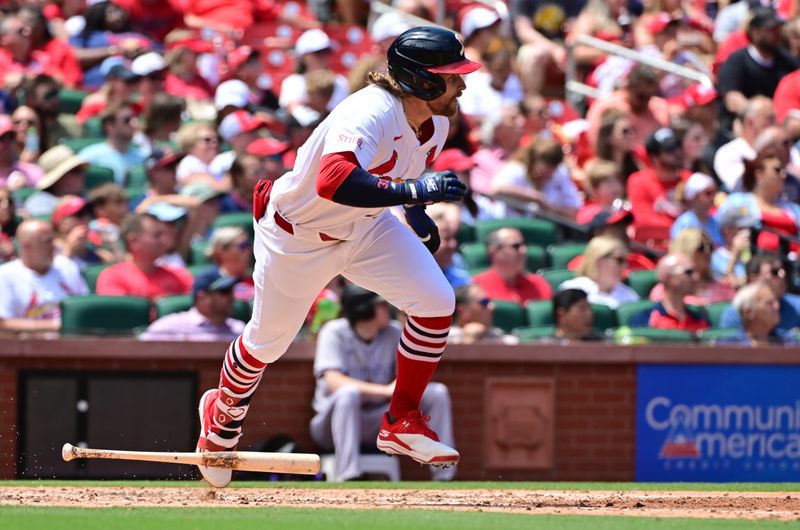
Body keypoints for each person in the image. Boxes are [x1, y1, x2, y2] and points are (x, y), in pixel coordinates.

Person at [194, 27, 475, 488]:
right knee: (268, 342)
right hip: (300, 235)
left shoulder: (437, 122)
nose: (462, 84)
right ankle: (222, 410)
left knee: (436, 302)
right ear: (422, 81)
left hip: (364, 226)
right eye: (451, 75)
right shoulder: (369, 110)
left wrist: (414, 210)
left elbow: (401, 173)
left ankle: (400, 421)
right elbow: (332, 180)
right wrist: (411, 191)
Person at [310, 285, 456, 482]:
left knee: (436, 393)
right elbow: (334, 382)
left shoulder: (393, 332)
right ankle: (349, 475)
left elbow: (413, 372)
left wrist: (411, 320)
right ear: (363, 308)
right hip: (332, 423)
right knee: (348, 394)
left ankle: (444, 476)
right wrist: (386, 391)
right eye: (381, 304)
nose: (388, 307)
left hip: (377, 421)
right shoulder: (334, 331)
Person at [0, 219, 88, 333]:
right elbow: (3, 323)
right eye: (47, 241)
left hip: (72, 345)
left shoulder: (66, 266)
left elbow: (84, 306)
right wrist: (58, 326)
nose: (54, 247)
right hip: (29, 347)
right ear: (27, 246)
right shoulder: (5, 275)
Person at [95, 212, 193, 299]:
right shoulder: (112, 277)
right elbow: (117, 315)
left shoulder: (179, 275)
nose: (164, 240)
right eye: (157, 235)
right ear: (134, 241)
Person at [138, 268, 246, 341]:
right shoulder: (170, 326)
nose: (232, 297)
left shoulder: (240, 330)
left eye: (232, 291)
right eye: (224, 291)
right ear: (202, 296)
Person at [719, 252, 800, 338]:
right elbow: (727, 347)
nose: (782, 275)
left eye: (783, 271)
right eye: (775, 272)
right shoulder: (735, 313)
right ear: (754, 279)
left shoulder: (797, 305)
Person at [649, 228, 736, 306]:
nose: (708, 252)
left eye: (710, 247)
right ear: (685, 250)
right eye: (701, 247)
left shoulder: (723, 286)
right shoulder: (665, 291)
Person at [471, 227, 553, 306]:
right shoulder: (476, 287)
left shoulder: (538, 284)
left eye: (525, 245)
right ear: (494, 251)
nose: (524, 250)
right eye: (516, 246)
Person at [633, 253, 710, 331]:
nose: (696, 277)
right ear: (669, 278)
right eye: (689, 272)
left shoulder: (699, 318)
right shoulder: (646, 319)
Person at [560, 236, 639, 309]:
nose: (625, 265)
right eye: (619, 260)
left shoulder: (630, 296)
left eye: (626, 261)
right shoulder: (572, 290)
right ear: (599, 261)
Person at [78, 100, 146, 185]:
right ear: (109, 126)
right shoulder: (89, 156)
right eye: (127, 120)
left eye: (135, 118)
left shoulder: (143, 157)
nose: (134, 123)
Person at [719, 280, 786, 345]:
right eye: (769, 303)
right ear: (749, 312)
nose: (777, 306)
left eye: (776, 302)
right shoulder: (729, 346)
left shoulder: (788, 342)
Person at [448, 283, 517, 344]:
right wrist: (468, 339)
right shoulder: (446, 338)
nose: (492, 307)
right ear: (463, 311)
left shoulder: (501, 338)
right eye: (484, 302)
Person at [670, 172, 723, 246]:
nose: (713, 197)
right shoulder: (685, 223)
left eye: (714, 193)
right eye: (708, 193)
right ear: (694, 196)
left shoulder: (714, 222)